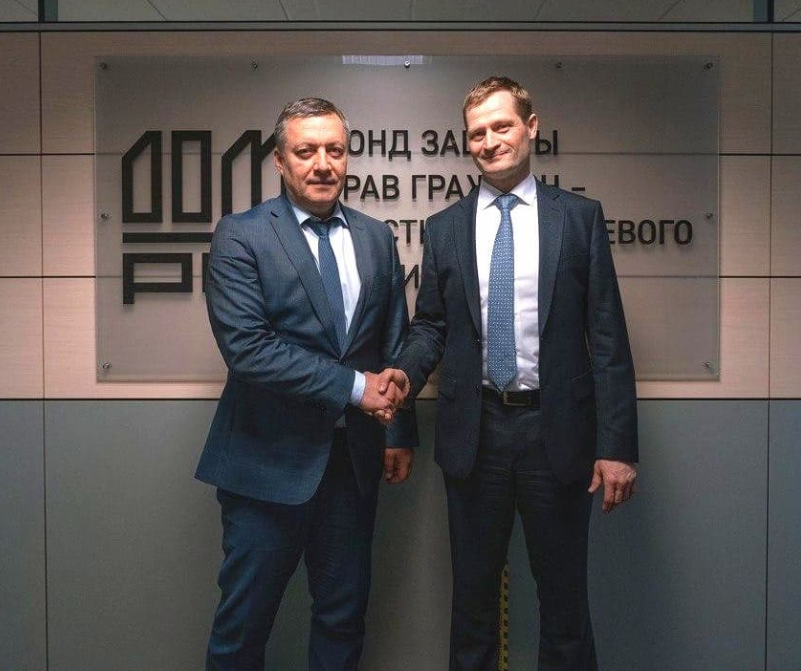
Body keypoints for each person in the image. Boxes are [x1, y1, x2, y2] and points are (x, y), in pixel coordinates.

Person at [379, 76, 639, 671]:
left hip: (558, 433)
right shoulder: (445, 227)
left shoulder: (578, 219)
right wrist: (405, 375)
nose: (490, 141)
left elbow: (607, 338)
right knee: (471, 605)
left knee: (565, 605)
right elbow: (432, 326)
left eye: (502, 126)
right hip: (476, 434)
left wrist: (617, 446)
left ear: (531, 127)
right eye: (477, 133)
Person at [195, 97, 418, 671]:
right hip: (264, 464)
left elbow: (392, 339)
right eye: (306, 151)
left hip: (352, 464)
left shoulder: (375, 236)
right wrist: (356, 388)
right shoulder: (241, 235)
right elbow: (248, 350)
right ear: (279, 160)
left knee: (343, 621)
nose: (323, 164)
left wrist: (398, 432)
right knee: (243, 627)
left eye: (335, 150)